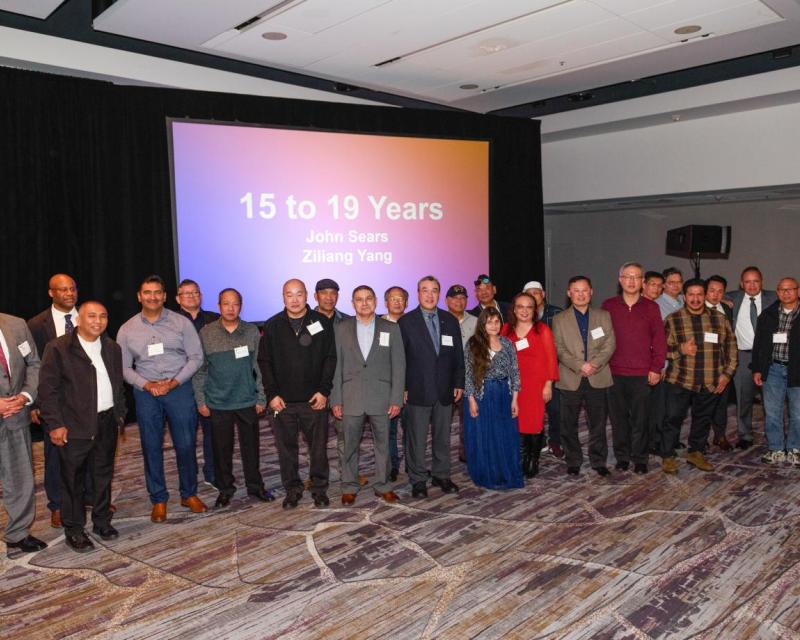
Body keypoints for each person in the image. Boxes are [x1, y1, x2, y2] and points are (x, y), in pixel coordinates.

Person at [117, 275, 206, 523]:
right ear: (139, 296)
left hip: (178, 389)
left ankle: (189, 494)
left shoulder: (181, 323)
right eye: (147, 292)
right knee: (151, 446)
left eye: (157, 292)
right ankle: (158, 499)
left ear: (165, 296)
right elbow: (123, 368)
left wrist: (174, 382)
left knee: (186, 445)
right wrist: (147, 385)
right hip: (147, 393)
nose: (153, 297)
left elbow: (196, 357)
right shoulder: (127, 329)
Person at [38, 302, 126, 552]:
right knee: (72, 480)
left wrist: (120, 416)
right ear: (78, 319)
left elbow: (117, 385)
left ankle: (101, 521)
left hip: (106, 422)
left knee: (102, 475)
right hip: (74, 425)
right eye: (91, 316)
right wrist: (55, 424)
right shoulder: (58, 348)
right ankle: (74, 530)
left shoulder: (112, 348)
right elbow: (48, 390)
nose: (98, 321)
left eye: (103, 316)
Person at [258, 279, 336, 508]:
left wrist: (324, 391)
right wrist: (271, 394)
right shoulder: (272, 325)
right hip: (282, 403)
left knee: (318, 449)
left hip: (315, 401)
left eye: (299, 294)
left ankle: (319, 488)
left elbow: (330, 358)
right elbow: (265, 362)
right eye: (289, 295)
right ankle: (292, 489)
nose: (294, 299)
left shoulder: (320, 321)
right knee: (286, 450)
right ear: (283, 297)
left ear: (307, 296)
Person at [193, 288, 273, 508]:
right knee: (221, 451)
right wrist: (201, 401)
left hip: (247, 400)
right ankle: (225, 490)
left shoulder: (251, 332)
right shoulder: (206, 333)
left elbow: (259, 366)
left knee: (251, 449)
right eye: (226, 304)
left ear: (241, 306)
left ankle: (255, 487)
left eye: (235, 304)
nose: (230, 308)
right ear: (219, 306)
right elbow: (200, 370)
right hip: (218, 402)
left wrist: (261, 398)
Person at [331, 286, 405, 505]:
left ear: (375, 302)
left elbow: (399, 366)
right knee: (349, 446)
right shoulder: (341, 328)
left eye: (368, 299)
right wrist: (335, 398)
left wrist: (396, 398)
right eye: (359, 300)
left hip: (382, 397)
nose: (364, 303)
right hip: (350, 397)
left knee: (383, 445)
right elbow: (335, 367)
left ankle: (382, 485)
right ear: (353, 304)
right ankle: (349, 486)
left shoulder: (391, 328)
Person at [28, 273, 89, 528]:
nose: (69, 294)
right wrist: (35, 403)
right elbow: (31, 366)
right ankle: (57, 504)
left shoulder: (90, 317)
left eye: (72, 289)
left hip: (87, 398)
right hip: (54, 401)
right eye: (62, 290)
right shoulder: (34, 325)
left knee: (89, 450)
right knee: (55, 454)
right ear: (51, 293)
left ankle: (88, 496)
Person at [661, 279, 737, 474]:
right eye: (691, 295)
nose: (695, 299)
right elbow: (660, 350)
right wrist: (681, 349)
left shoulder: (719, 319)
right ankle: (668, 456)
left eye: (699, 294)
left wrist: (727, 375)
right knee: (672, 418)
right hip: (680, 379)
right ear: (684, 297)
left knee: (702, 418)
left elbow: (731, 348)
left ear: (704, 296)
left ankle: (695, 452)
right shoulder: (672, 319)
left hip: (710, 380)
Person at [399, 276, 464, 498]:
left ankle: (441, 474)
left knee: (443, 436)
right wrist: (403, 386)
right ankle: (418, 479)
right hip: (417, 389)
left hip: (445, 389)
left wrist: (458, 382)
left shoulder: (450, 320)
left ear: (439, 294)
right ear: (417, 293)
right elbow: (400, 360)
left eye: (434, 290)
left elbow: (458, 356)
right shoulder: (406, 322)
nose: (429, 295)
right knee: (416, 439)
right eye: (425, 290)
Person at [602, 262, 666, 475]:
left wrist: (656, 367)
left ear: (642, 282)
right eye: (627, 277)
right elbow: (600, 339)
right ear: (620, 280)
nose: (631, 281)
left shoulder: (651, 307)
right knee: (618, 419)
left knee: (641, 419)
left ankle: (640, 458)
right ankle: (622, 457)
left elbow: (659, 340)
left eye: (636, 277)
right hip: (614, 373)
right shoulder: (608, 306)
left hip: (642, 373)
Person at [552, 276, 616, 476]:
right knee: (568, 423)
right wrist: (580, 365)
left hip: (598, 376)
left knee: (598, 423)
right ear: (569, 293)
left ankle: (598, 461)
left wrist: (594, 364)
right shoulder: (559, 319)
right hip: (571, 377)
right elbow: (558, 348)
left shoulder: (603, 316)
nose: (580, 294)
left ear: (591, 292)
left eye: (584, 290)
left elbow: (610, 344)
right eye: (576, 291)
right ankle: (573, 460)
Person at [0, 312, 47, 558]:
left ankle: (18, 534)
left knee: (20, 478)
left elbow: (34, 363)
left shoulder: (16, 324)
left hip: (16, 413)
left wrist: (25, 396)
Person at [463, 308, 522, 489]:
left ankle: (505, 472)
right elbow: (468, 374)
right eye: (489, 322)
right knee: (484, 436)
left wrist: (515, 399)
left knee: (504, 436)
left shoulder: (507, 343)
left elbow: (514, 372)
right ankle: (486, 473)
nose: (494, 325)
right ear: (482, 324)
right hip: (482, 395)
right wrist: (471, 400)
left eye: (497, 321)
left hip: (503, 395)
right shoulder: (473, 344)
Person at [501, 292, 558, 478]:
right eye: (520, 306)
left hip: (535, 385)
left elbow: (551, 359)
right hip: (511, 386)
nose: (524, 311)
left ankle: (532, 460)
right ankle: (519, 459)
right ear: (514, 309)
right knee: (513, 422)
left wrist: (548, 384)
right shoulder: (505, 330)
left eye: (529, 307)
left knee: (533, 423)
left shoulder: (542, 331)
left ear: (535, 310)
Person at [176, 278, 220, 490]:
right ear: (178, 298)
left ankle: (212, 473)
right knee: (186, 436)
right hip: (183, 385)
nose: (192, 296)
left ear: (201, 296)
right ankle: (188, 477)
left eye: (195, 292)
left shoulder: (214, 319)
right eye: (186, 293)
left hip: (211, 384)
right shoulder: (171, 321)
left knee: (213, 432)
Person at [727, 266, 777, 449]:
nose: (752, 285)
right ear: (741, 284)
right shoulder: (732, 298)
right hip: (742, 356)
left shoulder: (774, 298)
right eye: (747, 281)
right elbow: (712, 296)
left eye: (755, 281)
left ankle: (774, 436)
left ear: (761, 282)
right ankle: (745, 435)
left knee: (771, 400)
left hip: (768, 357)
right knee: (743, 399)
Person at [752, 277, 800, 464]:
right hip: (773, 369)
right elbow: (759, 345)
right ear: (777, 293)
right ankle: (776, 448)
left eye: (790, 289)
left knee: (798, 413)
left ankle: (795, 448)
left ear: (798, 291)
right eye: (782, 289)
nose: (786, 292)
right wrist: (757, 369)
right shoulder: (768, 314)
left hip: (797, 371)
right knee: (772, 412)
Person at [523, 280, 564, 458]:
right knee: (532, 410)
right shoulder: (521, 316)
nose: (533, 296)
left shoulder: (557, 314)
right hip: (529, 374)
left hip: (551, 370)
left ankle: (555, 441)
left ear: (543, 294)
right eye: (529, 293)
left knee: (556, 409)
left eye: (537, 292)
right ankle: (537, 440)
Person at [445, 283, 477, 464]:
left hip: (470, 378)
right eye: (455, 298)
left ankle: (467, 452)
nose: (459, 301)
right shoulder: (440, 320)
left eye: (463, 298)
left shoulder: (475, 321)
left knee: (469, 419)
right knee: (443, 421)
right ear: (447, 300)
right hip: (446, 379)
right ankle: (441, 456)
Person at [382, 286, 409, 481]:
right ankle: (392, 465)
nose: (397, 302)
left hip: (412, 388)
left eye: (401, 299)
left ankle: (412, 464)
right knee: (388, 431)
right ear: (386, 303)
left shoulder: (413, 323)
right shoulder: (377, 325)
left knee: (411, 430)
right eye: (393, 299)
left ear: (406, 303)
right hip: (386, 389)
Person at [705, 275, 735, 451]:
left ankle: (719, 435)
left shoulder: (727, 308)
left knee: (721, 403)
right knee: (703, 404)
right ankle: (700, 439)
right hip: (703, 365)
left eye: (720, 291)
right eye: (712, 290)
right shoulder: (696, 308)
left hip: (724, 365)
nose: (715, 295)